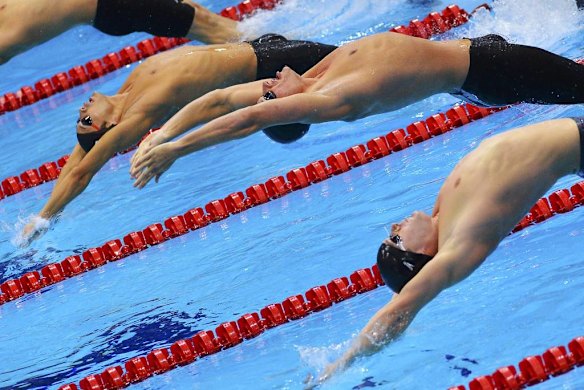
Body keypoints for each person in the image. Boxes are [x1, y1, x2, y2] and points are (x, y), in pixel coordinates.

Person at [305, 116, 584, 386]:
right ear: (420, 256)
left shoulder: (442, 216)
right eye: (395, 238)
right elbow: (399, 310)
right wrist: (339, 365)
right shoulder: (459, 245)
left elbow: (405, 292)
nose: (394, 226)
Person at [129, 32, 584, 188]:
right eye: (269, 95)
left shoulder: (317, 75)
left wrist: (162, 135)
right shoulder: (335, 99)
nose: (264, 86)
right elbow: (248, 117)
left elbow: (221, 101)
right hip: (492, 72)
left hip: (477, 60)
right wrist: (177, 152)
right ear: (292, 109)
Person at [18, 34, 337, 245]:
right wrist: (44, 217)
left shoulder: (127, 89)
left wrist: (44, 209)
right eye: (87, 121)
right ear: (112, 126)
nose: (82, 109)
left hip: (258, 45)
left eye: (80, 120)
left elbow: (78, 157)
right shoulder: (139, 112)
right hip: (269, 68)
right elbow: (84, 170)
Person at [0, 0, 240, 65]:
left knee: (209, 22)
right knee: (217, 31)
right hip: (115, 7)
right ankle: (272, 52)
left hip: (109, 11)